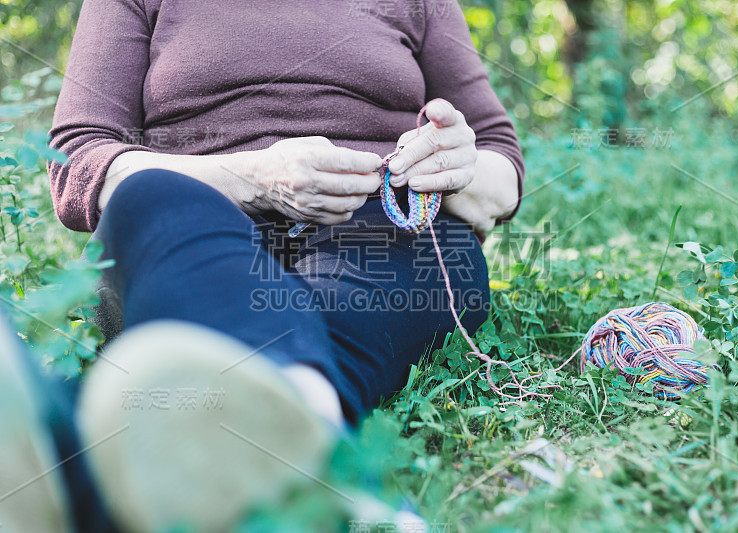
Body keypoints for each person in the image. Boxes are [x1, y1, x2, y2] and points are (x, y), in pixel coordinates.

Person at [29, 0, 525, 530]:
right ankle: (316, 451)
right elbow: (79, 158)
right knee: (149, 197)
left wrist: (455, 166)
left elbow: (503, 167)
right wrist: (254, 178)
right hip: (197, 223)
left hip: (377, 232)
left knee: (439, 249)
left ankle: (86, 451)